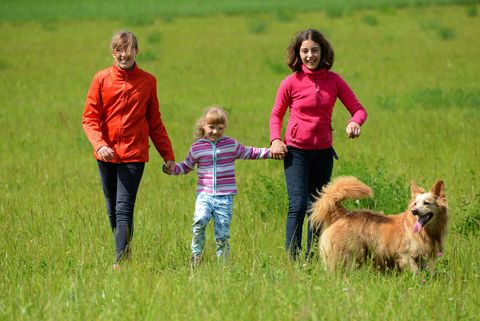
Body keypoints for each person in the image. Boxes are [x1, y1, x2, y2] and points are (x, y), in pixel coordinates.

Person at [269, 29, 368, 260]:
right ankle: (292, 259)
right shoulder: (290, 83)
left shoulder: (334, 81)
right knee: (298, 204)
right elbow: (276, 115)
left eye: (314, 50)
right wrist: (275, 140)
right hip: (296, 152)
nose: (310, 55)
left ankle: (311, 258)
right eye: (304, 51)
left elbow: (359, 110)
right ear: (298, 53)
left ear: (323, 52)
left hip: (323, 153)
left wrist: (355, 122)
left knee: (319, 207)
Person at [82, 30, 175, 270]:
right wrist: (100, 144)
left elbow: (155, 123)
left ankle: (120, 261)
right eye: (119, 50)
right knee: (112, 206)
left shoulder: (148, 81)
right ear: (112, 52)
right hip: (106, 154)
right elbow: (89, 119)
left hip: (134, 155)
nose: (124, 54)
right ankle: (124, 250)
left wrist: (168, 156)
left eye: (128, 49)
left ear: (137, 51)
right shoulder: (101, 79)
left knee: (124, 207)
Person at [164, 107, 271, 265]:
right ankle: (196, 256)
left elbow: (250, 152)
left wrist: (271, 152)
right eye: (211, 127)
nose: (215, 131)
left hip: (225, 198)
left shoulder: (230, 145)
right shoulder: (197, 147)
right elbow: (186, 166)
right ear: (203, 126)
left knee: (222, 235)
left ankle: (223, 268)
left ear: (225, 127)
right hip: (204, 196)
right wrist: (171, 169)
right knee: (199, 221)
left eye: (220, 128)